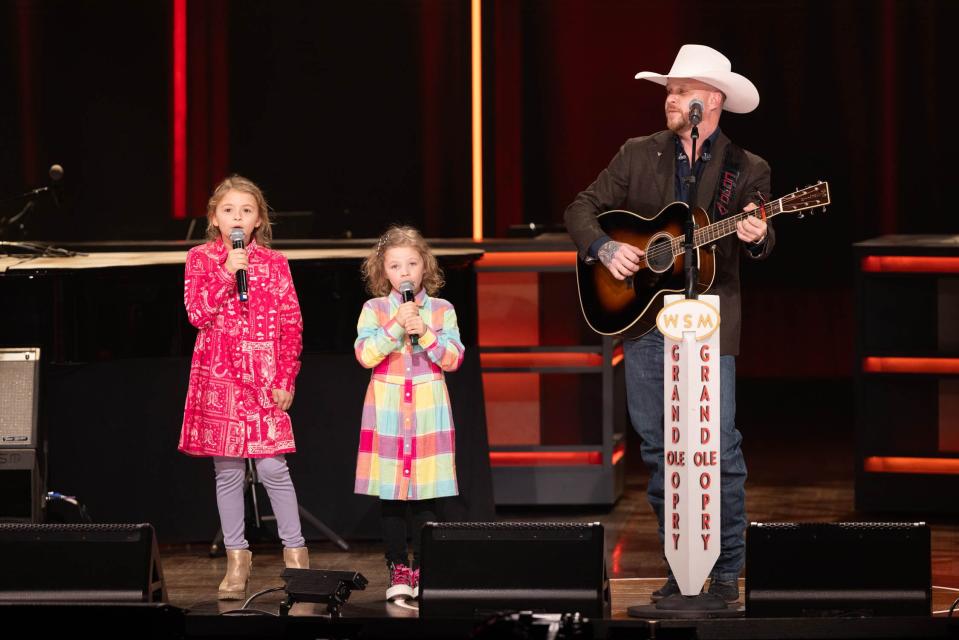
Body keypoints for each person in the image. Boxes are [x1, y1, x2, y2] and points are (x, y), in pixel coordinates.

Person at [564, 44, 775, 603]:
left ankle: (727, 571)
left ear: (712, 102)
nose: (670, 100)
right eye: (669, 91)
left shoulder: (746, 170)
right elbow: (580, 210)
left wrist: (758, 236)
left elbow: (761, 239)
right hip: (644, 323)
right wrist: (607, 249)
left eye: (681, 92)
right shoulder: (638, 154)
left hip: (710, 324)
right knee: (658, 447)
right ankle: (682, 569)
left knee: (716, 447)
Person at [178, 175, 309, 600]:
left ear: (258, 221)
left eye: (246, 211)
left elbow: (292, 324)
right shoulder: (200, 259)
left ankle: (296, 557)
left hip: (265, 373)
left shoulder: (275, 262)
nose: (238, 217)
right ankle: (238, 560)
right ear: (215, 218)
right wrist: (225, 275)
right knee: (228, 470)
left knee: (273, 466)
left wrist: (286, 377)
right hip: (219, 373)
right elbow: (196, 313)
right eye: (229, 210)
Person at [353, 225, 464, 601]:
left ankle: (424, 567)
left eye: (412, 263)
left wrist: (426, 332)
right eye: (396, 265)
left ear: (424, 267)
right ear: (384, 271)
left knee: (425, 496)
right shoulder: (374, 309)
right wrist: (395, 324)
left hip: (427, 409)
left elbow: (453, 359)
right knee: (393, 496)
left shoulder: (443, 310)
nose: (405, 272)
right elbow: (366, 354)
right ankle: (398, 567)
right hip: (387, 410)